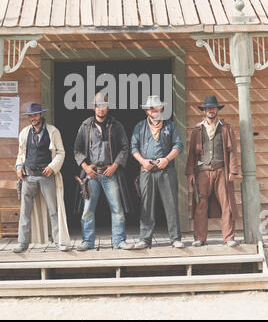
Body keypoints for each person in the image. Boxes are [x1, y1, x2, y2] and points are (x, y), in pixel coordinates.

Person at [74, 92, 134, 251]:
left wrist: (115, 165)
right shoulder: (86, 126)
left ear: (108, 107)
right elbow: (77, 150)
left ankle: (119, 241)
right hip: (92, 174)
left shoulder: (116, 125)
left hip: (110, 173)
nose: (100, 109)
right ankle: (87, 241)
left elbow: (124, 148)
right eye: (97, 106)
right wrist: (86, 167)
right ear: (93, 108)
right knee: (87, 210)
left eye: (103, 106)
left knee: (117, 209)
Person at [13, 103, 70, 253]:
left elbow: (61, 152)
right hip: (29, 176)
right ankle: (22, 243)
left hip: (46, 176)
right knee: (25, 211)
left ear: (41, 115)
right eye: (30, 115)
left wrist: (52, 167)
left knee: (53, 210)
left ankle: (59, 242)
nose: (33, 118)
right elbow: (20, 154)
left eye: (35, 115)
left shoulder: (53, 131)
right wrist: (19, 166)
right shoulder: (24, 133)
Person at [131, 95, 184, 249]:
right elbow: (133, 148)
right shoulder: (140, 127)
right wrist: (143, 161)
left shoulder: (170, 126)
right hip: (147, 170)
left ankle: (175, 238)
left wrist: (167, 159)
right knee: (146, 206)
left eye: (155, 107)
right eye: (150, 108)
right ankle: (145, 239)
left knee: (171, 205)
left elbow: (179, 145)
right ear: (146, 111)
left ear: (161, 108)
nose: (153, 110)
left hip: (166, 170)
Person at [185, 96, 239, 247]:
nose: (211, 110)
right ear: (204, 111)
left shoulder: (225, 128)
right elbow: (191, 154)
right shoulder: (197, 130)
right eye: (208, 108)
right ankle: (199, 238)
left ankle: (229, 238)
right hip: (202, 171)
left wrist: (233, 171)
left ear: (217, 110)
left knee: (226, 204)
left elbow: (232, 150)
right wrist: (190, 172)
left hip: (222, 170)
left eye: (213, 108)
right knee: (201, 204)